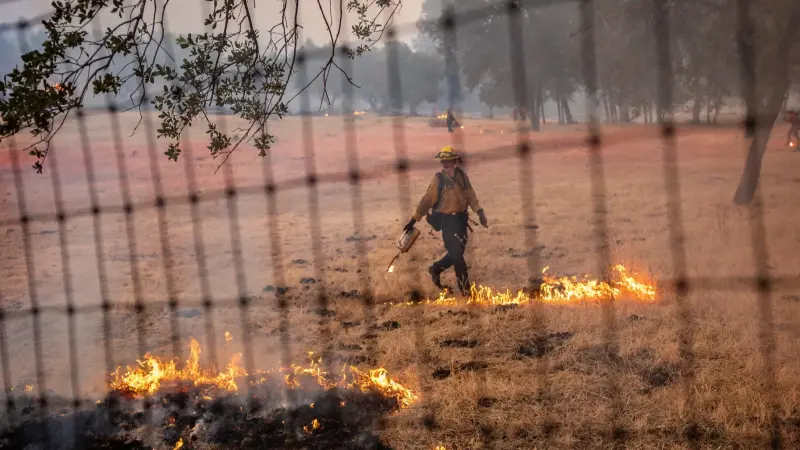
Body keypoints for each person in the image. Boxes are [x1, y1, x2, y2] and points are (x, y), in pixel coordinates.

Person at [403, 146, 488, 296]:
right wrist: (414, 220)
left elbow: (471, 196)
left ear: (454, 161)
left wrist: (480, 212)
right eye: (443, 161)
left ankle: (435, 268)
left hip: (461, 221)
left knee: (456, 254)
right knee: (458, 257)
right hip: (447, 223)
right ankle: (466, 291)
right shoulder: (438, 179)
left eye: (448, 161)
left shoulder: (462, 176)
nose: (445, 164)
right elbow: (427, 200)